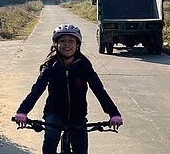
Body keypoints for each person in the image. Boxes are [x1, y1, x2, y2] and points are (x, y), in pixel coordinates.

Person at [15, 24, 123, 154]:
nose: (67, 44)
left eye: (71, 41)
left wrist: (114, 114)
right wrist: (22, 111)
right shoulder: (50, 66)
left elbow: (99, 90)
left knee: (81, 150)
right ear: (56, 44)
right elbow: (36, 90)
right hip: (54, 114)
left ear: (77, 45)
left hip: (77, 116)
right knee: (51, 140)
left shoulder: (84, 66)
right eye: (62, 41)